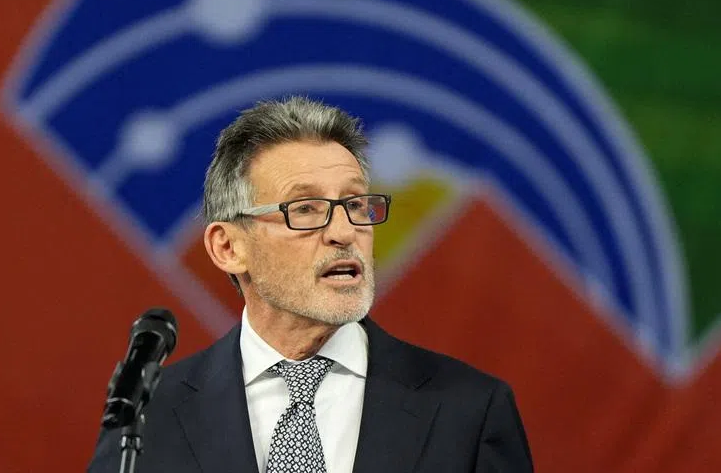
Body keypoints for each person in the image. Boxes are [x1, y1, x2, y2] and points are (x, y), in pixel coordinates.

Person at [89, 96, 534, 472]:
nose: (344, 231)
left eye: (356, 203)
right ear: (228, 247)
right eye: (304, 209)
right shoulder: (146, 418)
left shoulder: (469, 411)